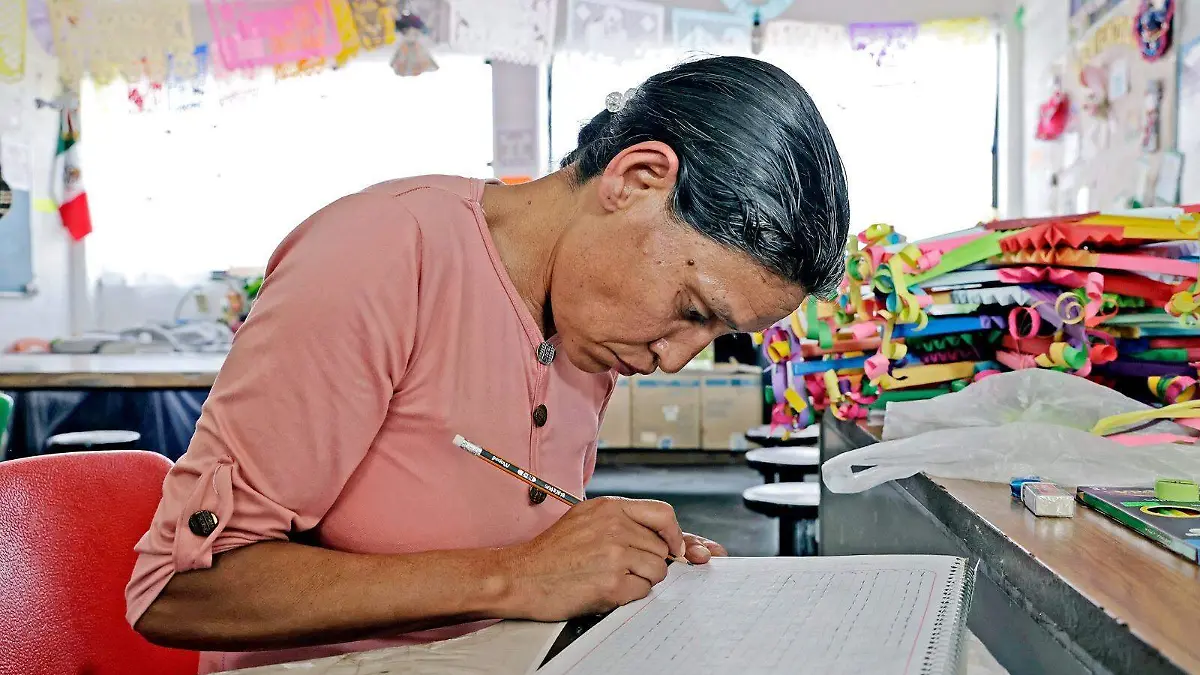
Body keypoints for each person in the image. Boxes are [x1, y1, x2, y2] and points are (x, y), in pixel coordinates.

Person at [127, 55, 850, 673]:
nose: (674, 359)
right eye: (692, 309)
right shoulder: (381, 257)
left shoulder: (586, 324)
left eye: (719, 335)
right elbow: (176, 594)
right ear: (636, 178)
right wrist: (517, 575)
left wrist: (608, 560)